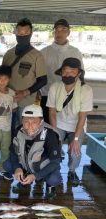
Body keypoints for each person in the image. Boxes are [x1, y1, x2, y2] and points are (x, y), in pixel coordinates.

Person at [47, 57, 93, 185]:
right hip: (59, 124)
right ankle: (55, 169)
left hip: (76, 125)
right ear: (61, 72)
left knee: (75, 150)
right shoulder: (55, 87)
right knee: (53, 147)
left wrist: (76, 139)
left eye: (72, 71)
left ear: (78, 74)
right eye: (65, 71)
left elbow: (82, 116)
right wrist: (55, 134)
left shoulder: (86, 90)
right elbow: (52, 112)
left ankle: (72, 171)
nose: (68, 74)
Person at [5, 105, 62, 199]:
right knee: (7, 164)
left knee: (54, 179)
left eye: (34, 122)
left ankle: (49, 186)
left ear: (41, 122)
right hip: (26, 164)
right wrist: (17, 168)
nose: (29, 126)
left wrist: (36, 176)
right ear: (22, 121)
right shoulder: (18, 130)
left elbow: (55, 162)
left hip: (43, 167)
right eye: (26, 121)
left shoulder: (50, 134)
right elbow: (13, 153)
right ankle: (24, 179)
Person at [2, 18, 47, 131]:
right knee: (6, 130)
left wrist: (24, 93)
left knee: (24, 131)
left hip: (26, 104)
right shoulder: (8, 54)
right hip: (7, 102)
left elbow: (43, 80)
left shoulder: (37, 56)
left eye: (26, 33)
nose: (22, 36)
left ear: (31, 33)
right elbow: (1, 76)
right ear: (16, 33)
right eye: (20, 33)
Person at [40, 19, 84, 123]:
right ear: (53, 32)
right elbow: (38, 75)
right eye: (57, 30)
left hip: (70, 95)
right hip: (47, 94)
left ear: (68, 32)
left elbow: (81, 74)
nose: (59, 32)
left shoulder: (75, 52)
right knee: (47, 124)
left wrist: (81, 91)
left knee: (68, 124)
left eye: (63, 29)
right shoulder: (43, 52)